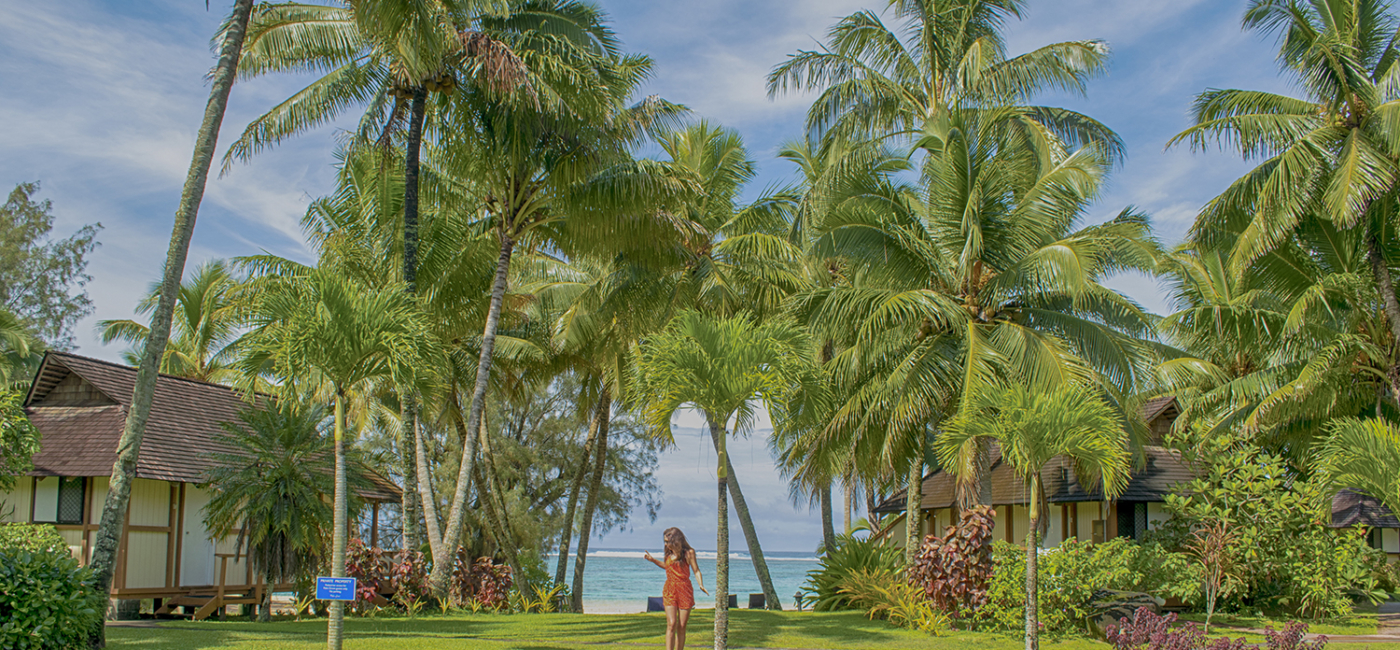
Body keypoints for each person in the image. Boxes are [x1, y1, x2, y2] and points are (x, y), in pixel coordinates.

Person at [644, 527, 708, 650]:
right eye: (665, 542)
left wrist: (701, 584)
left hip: (685, 589)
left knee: (682, 625)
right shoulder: (669, 553)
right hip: (670, 589)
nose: (666, 544)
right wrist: (653, 560)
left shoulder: (689, 553)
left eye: (668, 541)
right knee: (671, 623)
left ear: (676, 540)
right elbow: (668, 567)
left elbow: (696, 570)